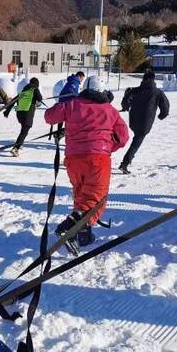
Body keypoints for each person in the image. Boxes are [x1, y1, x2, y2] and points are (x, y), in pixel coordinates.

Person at [45, 75, 129, 249]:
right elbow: (123, 137)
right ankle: (69, 228)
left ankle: (84, 236)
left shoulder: (72, 104)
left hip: (73, 160)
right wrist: (107, 146)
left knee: (81, 195)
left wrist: (65, 102)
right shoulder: (110, 110)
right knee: (95, 199)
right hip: (98, 159)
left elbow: (49, 117)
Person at [118, 71, 170, 174]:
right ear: (153, 79)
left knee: (136, 138)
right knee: (137, 140)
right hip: (145, 121)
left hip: (133, 119)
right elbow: (165, 106)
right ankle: (125, 163)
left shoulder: (135, 90)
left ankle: (126, 160)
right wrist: (162, 115)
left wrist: (125, 107)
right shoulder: (157, 92)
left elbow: (125, 101)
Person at [6, 77, 43, 157]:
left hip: (19, 114)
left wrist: (7, 111)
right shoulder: (34, 88)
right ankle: (16, 148)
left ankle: (20, 143)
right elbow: (40, 98)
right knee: (24, 131)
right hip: (28, 114)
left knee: (23, 129)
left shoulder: (24, 90)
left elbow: (13, 100)